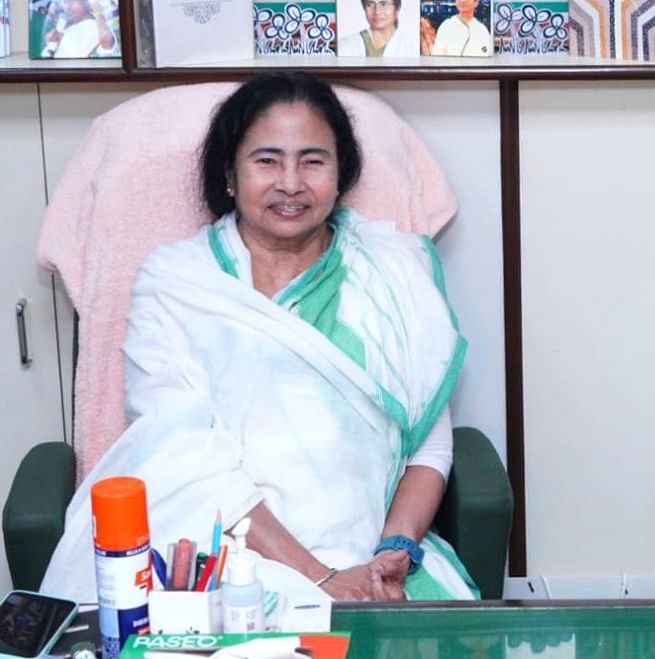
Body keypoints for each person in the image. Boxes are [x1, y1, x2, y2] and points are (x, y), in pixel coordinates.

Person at [41, 72, 477, 603]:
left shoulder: (394, 271)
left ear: (342, 174)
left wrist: (395, 547)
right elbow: (181, 455)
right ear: (229, 174)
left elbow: (428, 440)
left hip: (370, 557)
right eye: (266, 161)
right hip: (216, 555)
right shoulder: (177, 282)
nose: (290, 183)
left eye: (313, 161)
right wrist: (318, 577)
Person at [337, 0, 415, 57]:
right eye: (370, 4)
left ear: (397, 9)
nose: (377, 11)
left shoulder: (411, 47)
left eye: (383, 4)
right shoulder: (346, 46)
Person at [40, 0, 116, 58]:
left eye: (72, 1)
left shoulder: (98, 26)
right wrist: (50, 45)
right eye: (65, 2)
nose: (67, 7)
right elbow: (45, 66)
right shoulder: (63, 31)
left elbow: (107, 43)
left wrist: (99, 14)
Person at [424, 0, 491, 57]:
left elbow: (485, 52)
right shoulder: (446, 26)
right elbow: (437, 55)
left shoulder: (482, 30)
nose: (462, 1)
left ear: (476, 3)